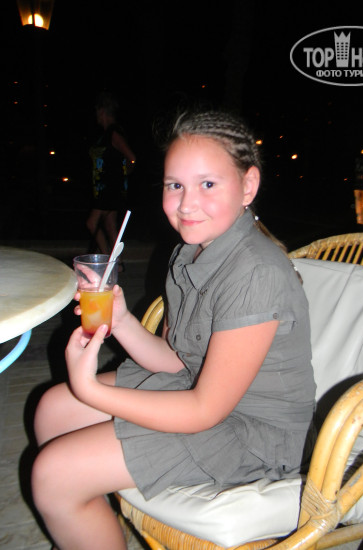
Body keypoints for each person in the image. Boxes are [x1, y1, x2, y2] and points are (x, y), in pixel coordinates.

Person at [31, 110, 316, 550]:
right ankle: (85, 523)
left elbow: (204, 410)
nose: (186, 203)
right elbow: (175, 360)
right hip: (198, 391)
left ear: (248, 186)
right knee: (53, 408)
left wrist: (91, 389)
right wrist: (122, 321)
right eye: (174, 185)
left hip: (253, 436)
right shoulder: (189, 252)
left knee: (54, 474)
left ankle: (73, 498)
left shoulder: (255, 273)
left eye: (208, 184)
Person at [87, 92, 136, 258]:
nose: (96, 115)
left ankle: (108, 260)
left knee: (92, 223)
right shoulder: (105, 134)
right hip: (102, 188)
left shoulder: (114, 133)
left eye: (97, 111)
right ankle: (117, 264)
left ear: (102, 111)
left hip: (108, 189)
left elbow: (132, 158)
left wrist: (121, 177)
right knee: (110, 226)